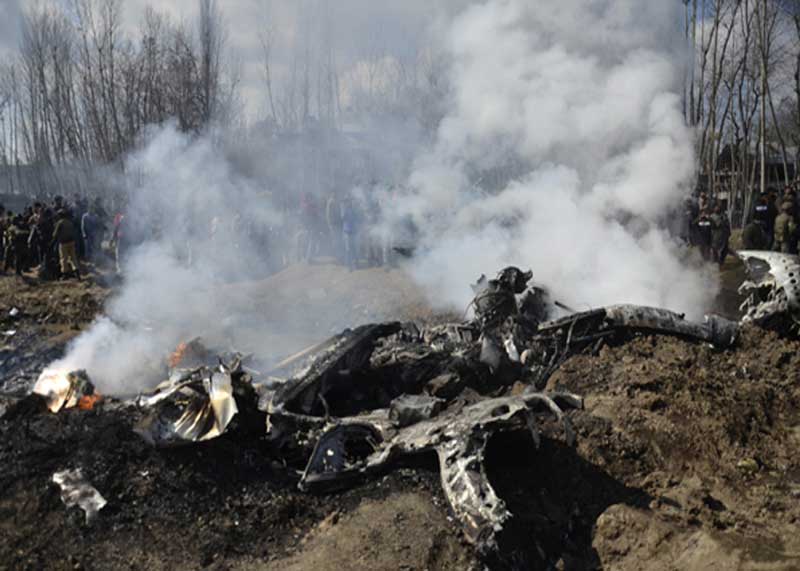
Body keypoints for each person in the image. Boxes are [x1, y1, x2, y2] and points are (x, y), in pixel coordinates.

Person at [52, 209, 81, 279]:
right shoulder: (69, 222)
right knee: (73, 257)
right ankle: (76, 271)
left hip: (63, 243)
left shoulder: (60, 223)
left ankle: (65, 274)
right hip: (71, 242)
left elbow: (54, 234)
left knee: (63, 258)